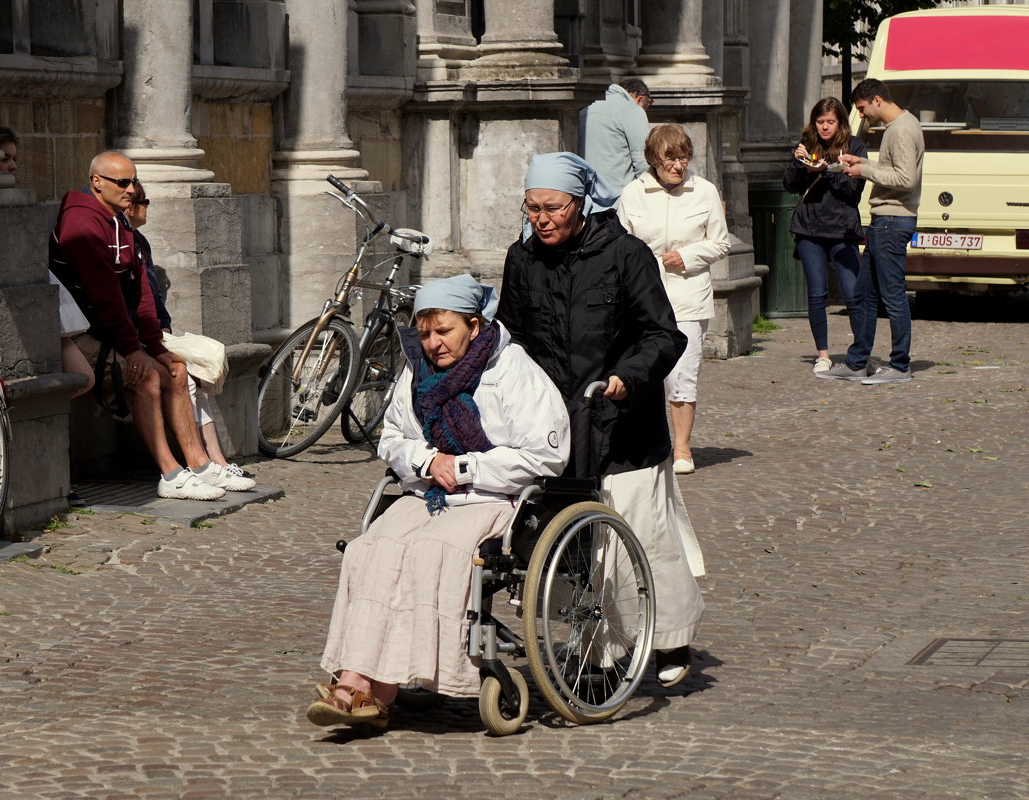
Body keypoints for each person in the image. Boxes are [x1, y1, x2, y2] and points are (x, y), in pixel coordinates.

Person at [306, 275, 571, 729]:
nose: (432, 343)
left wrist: (465, 467)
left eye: (443, 331)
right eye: (425, 333)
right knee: (371, 550)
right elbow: (391, 438)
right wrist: (429, 459)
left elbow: (546, 455)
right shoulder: (416, 369)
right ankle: (354, 679)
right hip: (430, 491)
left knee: (432, 553)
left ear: (473, 324)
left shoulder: (511, 368)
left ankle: (379, 690)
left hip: (495, 497)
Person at [497, 152, 705, 689]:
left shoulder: (626, 254)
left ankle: (668, 638)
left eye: (552, 208)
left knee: (642, 535)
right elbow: (511, 336)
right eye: (532, 208)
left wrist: (628, 377)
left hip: (622, 418)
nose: (541, 219)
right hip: (556, 422)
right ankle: (597, 645)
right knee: (573, 540)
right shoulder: (522, 260)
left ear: (580, 203)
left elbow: (664, 335)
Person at [49, 151, 244, 500]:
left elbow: (140, 291)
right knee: (147, 378)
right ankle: (169, 474)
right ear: (97, 182)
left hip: (111, 331)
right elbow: (104, 295)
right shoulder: (82, 223)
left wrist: (154, 346)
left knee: (176, 370)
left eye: (134, 181)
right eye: (122, 182)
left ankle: (198, 464)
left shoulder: (119, 223)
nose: (131, 191)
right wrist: (132, 350)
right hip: (78, 333)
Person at [616, 125, 731, 475]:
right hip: (642, 298)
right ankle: (646, 442)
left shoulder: (704, 191)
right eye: (670, 159)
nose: (678, 166)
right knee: (641, 372)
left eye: (683, 158)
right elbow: (621, 245)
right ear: (654, 159)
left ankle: (682, 447)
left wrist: (690, 256)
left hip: (687, 295)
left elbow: (721, 242)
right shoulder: (633, 193)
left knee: (682, 374)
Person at [126, 184, 255, 492]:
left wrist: (164, 329)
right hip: (135, 336)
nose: (147, 207)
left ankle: (215, 461)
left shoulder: (139, 241)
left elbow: (153, 299)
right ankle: (204, 463)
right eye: (143, 201)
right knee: (183, 375)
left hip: (152, 333)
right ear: (130, 206)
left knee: (195, 372)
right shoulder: (124, 243)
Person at [825, 78, 924, 385]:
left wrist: (863, 170)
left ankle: (899, 365)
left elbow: (905, 179)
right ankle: (857, 362)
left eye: (863, 109)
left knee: (892, 295)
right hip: (885, 221)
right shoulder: (899, 127)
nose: (862, 116)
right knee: (863, 293)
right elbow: (894, 171)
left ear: (877, 100)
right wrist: (862, 162)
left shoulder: (903, 129)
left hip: (893, 222)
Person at [0, 125, 93, 398]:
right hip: (26, 305)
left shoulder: (16, 202)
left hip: (48, 306)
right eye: (4, 158)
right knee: (77, 379)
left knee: (83, 378)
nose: (12, 166)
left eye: (15, 159)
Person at [784, 98, 868, 376]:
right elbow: (790, 185)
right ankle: (823, 354)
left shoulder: (854, 147)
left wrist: (827, 172)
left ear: (840, 122)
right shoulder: (807, 144)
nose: (824, 127)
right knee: (817, 293)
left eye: (830, 122)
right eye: (820, 122)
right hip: (809, 229)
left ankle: (860, 353)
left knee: (853, 294)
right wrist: (799, 165)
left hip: (843, 230)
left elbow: (852, 192)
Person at [579, 78, 653, 191]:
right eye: (649, 104)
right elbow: (643, 158)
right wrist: (649, 190)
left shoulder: (585, 108)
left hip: (586, 192)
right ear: (640, 99)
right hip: (619, 196)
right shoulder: (633, 110)